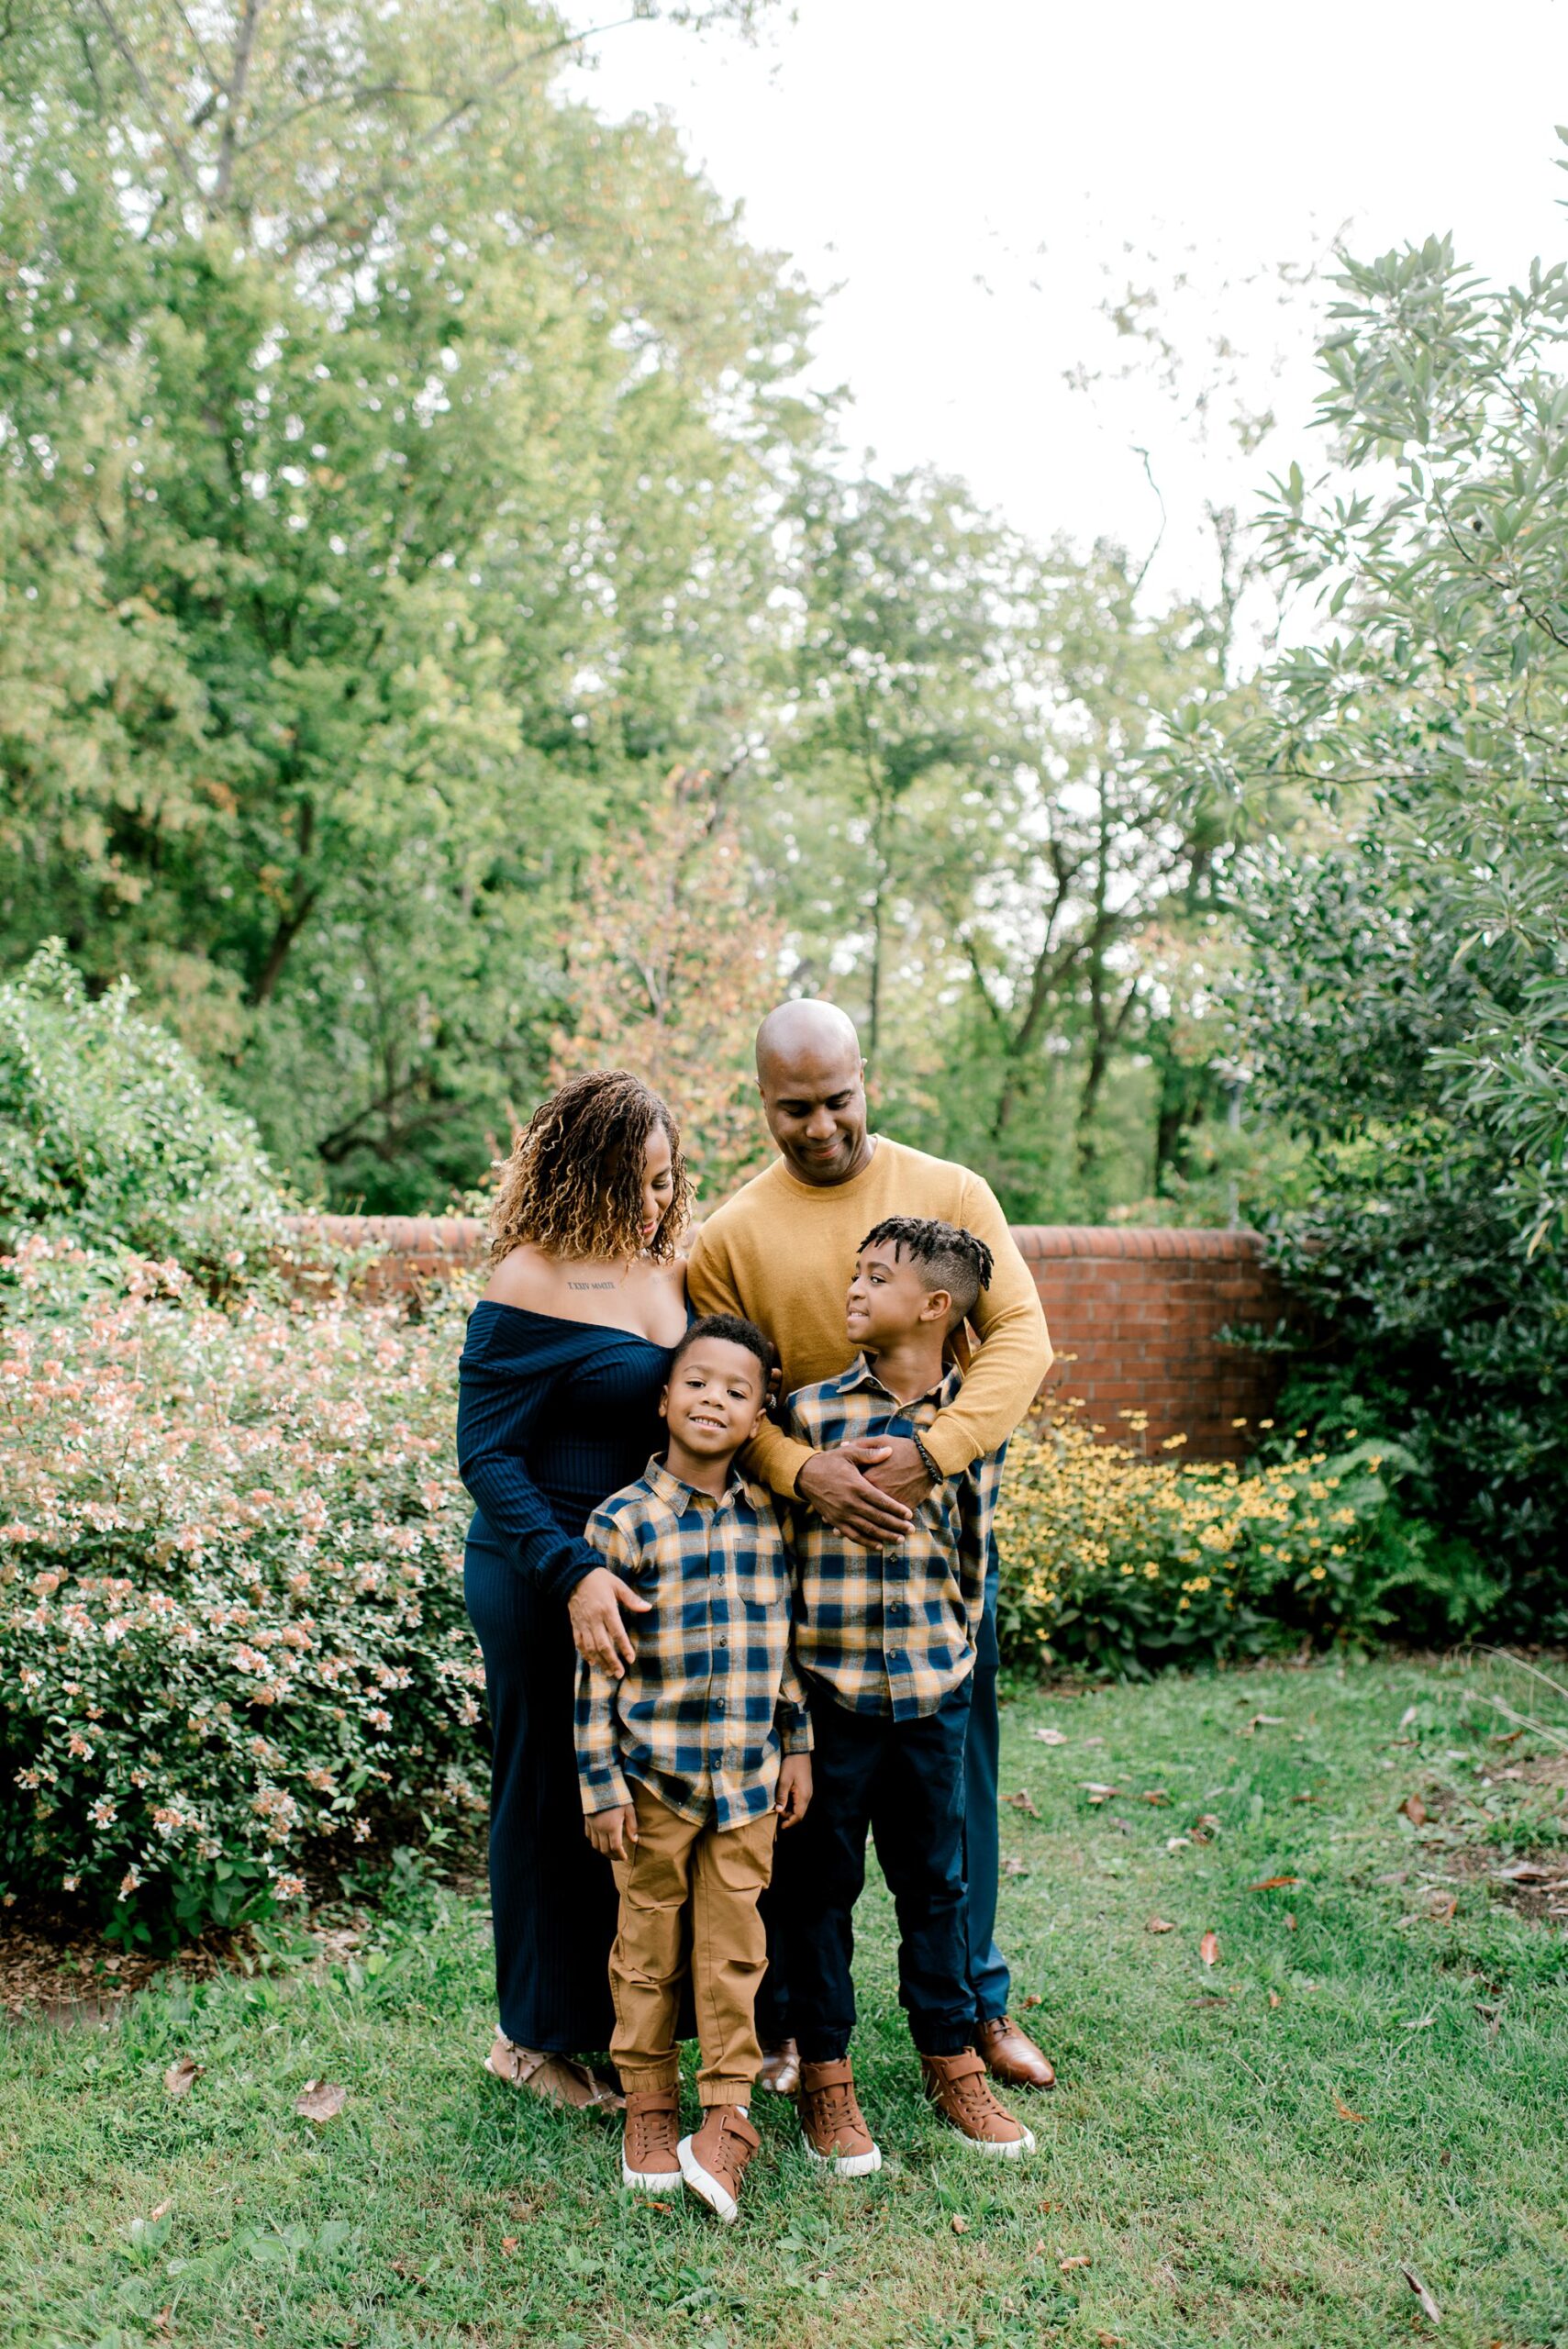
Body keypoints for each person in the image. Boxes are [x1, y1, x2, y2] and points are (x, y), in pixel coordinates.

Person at [686, 998, 1057, 2095]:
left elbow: (1021, 1338)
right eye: (793, 1107)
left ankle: (976, 2004)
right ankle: (796, 2024)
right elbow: (726, 1394)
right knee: (805, 1809)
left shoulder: (951, 1192)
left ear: (867, 1082)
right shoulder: (729, 1236)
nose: (818, 1126)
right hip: (809, 1568)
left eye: (836, 1100)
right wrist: (804, 1471)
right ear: (762, 1103)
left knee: (955, 1792)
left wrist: (930, 1455)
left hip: (934, 1546)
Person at [457, 1070, 691, 2110]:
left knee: (631, 1796)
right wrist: (572, 1573)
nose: (651, 1201)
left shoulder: (670, 1270)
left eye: (664, 1179)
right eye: (630, 1181)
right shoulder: (529, 1278)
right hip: (536, 1569)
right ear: (578, 1174)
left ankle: (616, 2026)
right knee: (549, 1793)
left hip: (638, 1577)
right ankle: (529, 2039)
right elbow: (485, 1454)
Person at [779, 1219, 1033, 2168]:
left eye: (875, 1277)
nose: (853, 1288)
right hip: (832, 1696)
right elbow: (784, 1569)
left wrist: (953, 1666)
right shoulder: (808, 1417)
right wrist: (792, 1710)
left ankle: (951, 2060)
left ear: (933, 1306)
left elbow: (974, 1559)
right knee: (819, 1891)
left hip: (931, 1696)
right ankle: (826, 2079)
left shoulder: (968, 1426)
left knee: (935, 1886)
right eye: (854, 1272)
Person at [576, 1314, 814, 2223]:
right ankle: (648, 2101)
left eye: (737, 1390)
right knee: (646, 1949)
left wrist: (797, 1744)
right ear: (665, 1398)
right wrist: (599, 1784)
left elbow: (783, 1647)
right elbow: (594, 1671)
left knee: (734, 1949)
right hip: (653, 1783)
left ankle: (726, 2111)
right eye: (698, 1382)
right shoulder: (623, 1522)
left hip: (748, 1780)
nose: (715, 1399)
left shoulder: (770, 1519)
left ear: (759, 1416)